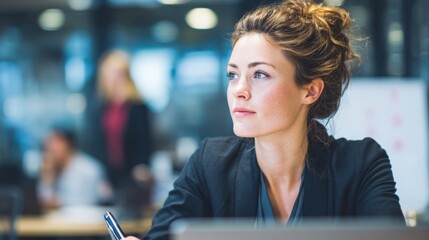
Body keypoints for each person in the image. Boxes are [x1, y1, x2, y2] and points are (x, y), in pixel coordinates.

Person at [126, 0, 404, 239]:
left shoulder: (361, 165)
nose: (239, 91)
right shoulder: (210, 164)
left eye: (259, 74)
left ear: (310, 90)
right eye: (233, 75)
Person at [87, 50, 152, 189]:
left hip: (134, 172)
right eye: (108, 73)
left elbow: (144, 140)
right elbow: (97, 143)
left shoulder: (137, 107)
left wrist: (142, 165)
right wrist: (101, 175)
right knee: (108, 210)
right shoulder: (101, 107)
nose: (112, 78)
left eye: (116, 73)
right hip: (108, 173)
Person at [38, 128, 112, 209]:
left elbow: (88, 203)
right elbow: (44, 201)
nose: (51, 148)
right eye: (48, 147)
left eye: (56, 143)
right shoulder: (52, 169)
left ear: (68, 144)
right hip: (59, 220)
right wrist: (47, 178)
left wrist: (57, 203)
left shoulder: (88, 169)